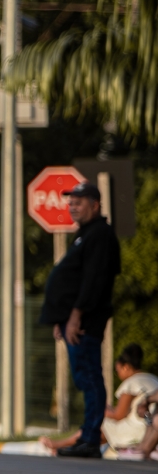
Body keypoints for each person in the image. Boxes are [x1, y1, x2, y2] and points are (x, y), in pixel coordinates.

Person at [40, 181, 122, 459]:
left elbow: (93, 280)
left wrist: (75, 315)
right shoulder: (85, 234)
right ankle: (87, 435)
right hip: (73, 319)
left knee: (89, 376)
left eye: (79, 202)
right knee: (84, 376)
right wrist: (60, 317)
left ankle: (90, 438)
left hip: (85, 321)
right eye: (70, 202)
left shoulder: (100, 234)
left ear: (95, 205)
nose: (72, 206)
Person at [42, 344, 158, 455]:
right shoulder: (152, 378)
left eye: (118, 370)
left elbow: (118, 415)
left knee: (99, 423)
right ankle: (70, 446)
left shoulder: (131, 383)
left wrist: (101, 409)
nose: (118, 374)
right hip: (151, 427)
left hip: (140, 431)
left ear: (126, 367)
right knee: (106, 425)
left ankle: (63, 445)